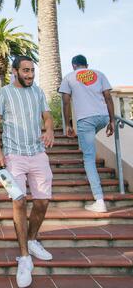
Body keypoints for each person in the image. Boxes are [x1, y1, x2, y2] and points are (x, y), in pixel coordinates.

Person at [0, 55, 54, 288]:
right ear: (15, 71)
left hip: (37, 153)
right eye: (25, 71)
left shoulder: (37, 92)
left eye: (32, 71)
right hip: (14, 155)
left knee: (43, 202)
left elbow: (47, 116)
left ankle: (32, 238)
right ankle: (25, 257)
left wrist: (49, 130)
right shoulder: (3, 93)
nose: (29, 75)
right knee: (18, 199)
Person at [59, 54, 115, 213]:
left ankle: (99, 200)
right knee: (88, 143)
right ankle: (85, 143)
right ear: (86, 65)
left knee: (89, 158)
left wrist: (68, 124)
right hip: (102, 117)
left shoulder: (69, 77)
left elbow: (65, 101)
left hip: (86, 120)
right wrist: (111, 121)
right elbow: (108, 97)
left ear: (73, 66)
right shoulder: (99, 74)